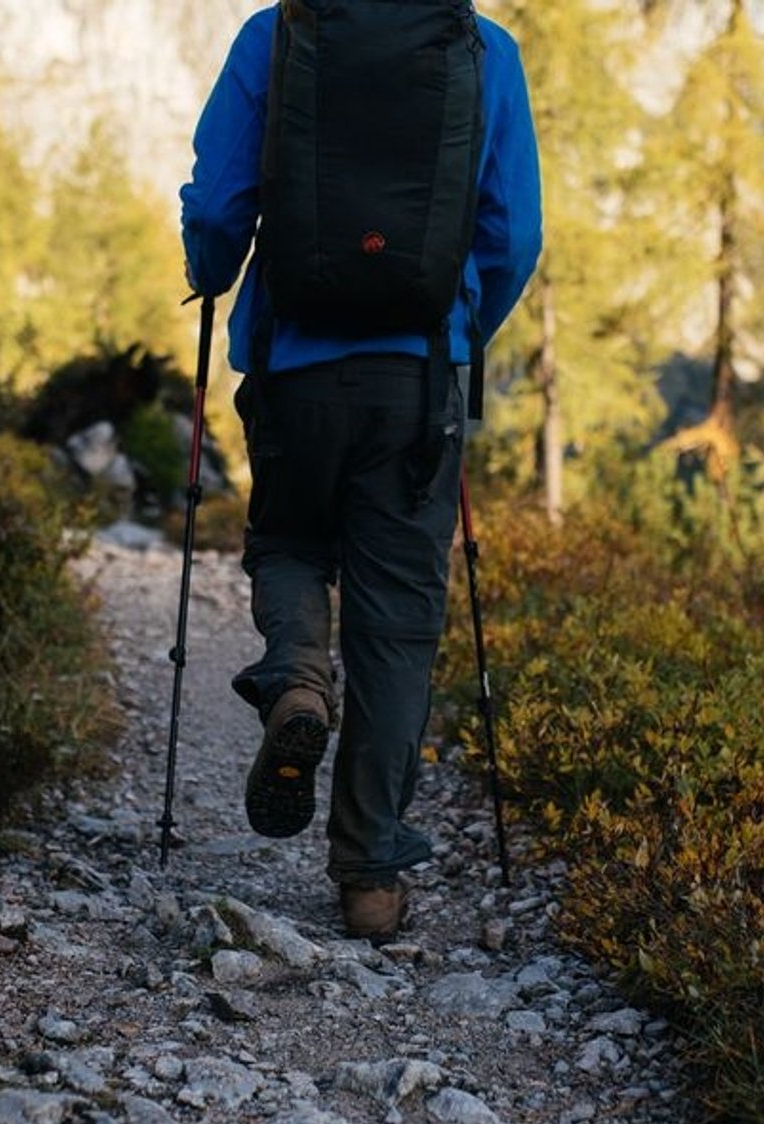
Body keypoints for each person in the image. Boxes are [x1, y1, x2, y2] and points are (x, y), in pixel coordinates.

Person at [179, 2, 541, 941]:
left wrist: (209, 269)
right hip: (419, 380)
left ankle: (298, 676)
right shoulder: (480, 47)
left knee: (290, 539)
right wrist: (462, 333)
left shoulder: (278, 33)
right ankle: (370, 873)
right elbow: (514, 236)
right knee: (398, 621)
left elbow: (220, 206)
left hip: (296, 371)